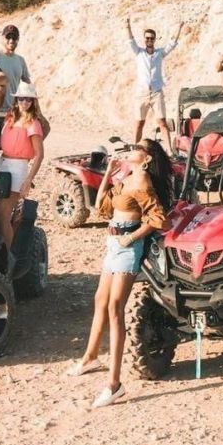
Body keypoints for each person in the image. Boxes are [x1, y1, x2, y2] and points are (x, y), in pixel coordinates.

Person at [67, 138, 172, 408]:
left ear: (147, 159)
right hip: (113, 243)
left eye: (138, 149)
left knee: (115, 308)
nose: (132, 150)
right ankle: (90, 356)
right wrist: (110, 173)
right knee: (100, 300)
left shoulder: (143, 182)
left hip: (127, 247)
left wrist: (132, 238)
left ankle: (114, 384)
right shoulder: (127, 177)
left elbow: (158, 218)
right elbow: (101, 207)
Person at [0, 82, 50, 251]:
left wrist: (28, 181)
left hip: (18, 168)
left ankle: (10, 258)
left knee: (3, 214)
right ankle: (2, 249)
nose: (25, 103)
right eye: (22, 99)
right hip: (3, 164)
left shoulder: (33, 123)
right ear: (16, 100)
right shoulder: (10, 118)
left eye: (29, 100)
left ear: (33, 102)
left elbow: (39, 155)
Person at [127, 16, 184, 152]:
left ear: (155, 39)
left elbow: (172, 43)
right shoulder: (139, 52)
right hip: (142, 93)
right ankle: (135, 149)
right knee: (139, 123)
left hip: (157, 92)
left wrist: (179, 28)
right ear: (144, 39)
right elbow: (130, 40)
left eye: (152, 38)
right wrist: (127, 25)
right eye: (147, 38)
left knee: (162, 122)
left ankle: (169, 150)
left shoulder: (159, 53)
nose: (149, 40)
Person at [0, 24, 32, 111]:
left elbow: (28, 83)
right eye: (8, 37)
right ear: (2, 38)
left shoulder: (21, 60)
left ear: (18, 40)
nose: (11, 40)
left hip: (14, 111)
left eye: (14, 38)